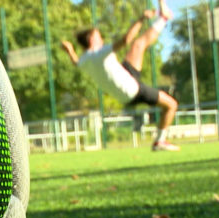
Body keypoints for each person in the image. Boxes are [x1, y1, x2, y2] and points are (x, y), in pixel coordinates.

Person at [61, 0, 180, 152]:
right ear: (92, 39)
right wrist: (140, 19)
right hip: (131, 90)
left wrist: (70, 50)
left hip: (126, 75)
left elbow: (76, 62)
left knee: (138, 45)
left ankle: (163, 18)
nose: (101, 38)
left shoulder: (85, 59)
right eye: (98, 36)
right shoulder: (99, 53)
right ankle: (160, 141)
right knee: (171, 105)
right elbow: (125, 40)